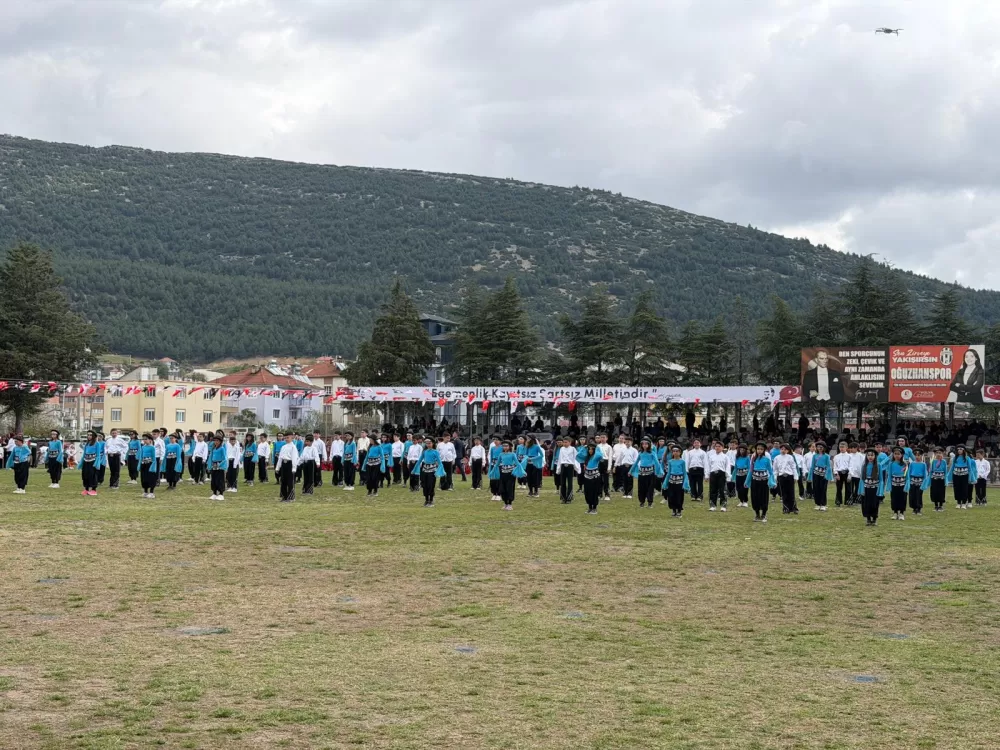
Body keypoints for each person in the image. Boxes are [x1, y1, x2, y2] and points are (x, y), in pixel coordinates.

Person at [489, 440, 527, 511]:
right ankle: (505, 503)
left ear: (509, 446)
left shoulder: (513, 454)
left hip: (511, 474)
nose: (505, 447)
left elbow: (517, 463)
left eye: (506, 446)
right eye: (503, 446)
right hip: (503, 473)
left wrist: (522, 471)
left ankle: (510, 504)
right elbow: (497, 464)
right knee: (503, 488)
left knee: (510, 488)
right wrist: (492, 472)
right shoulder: (501, 454)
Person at [745, 441, 776, 523]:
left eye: (761, 449)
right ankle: (757, 514)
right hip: (755, 481)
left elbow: (770, 471)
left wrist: (772, 482)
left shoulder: (766, 459)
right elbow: (750, 471)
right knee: (755, 497)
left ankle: (764, 514)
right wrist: (747, 482)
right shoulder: (753, 459)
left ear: (764, 450)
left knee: (764, 497)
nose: (759, 451)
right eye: (758, 449)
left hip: (764, 481)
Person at [629, 437, 664, 508]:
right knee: (641, 488)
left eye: (646, 444)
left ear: (649, 445)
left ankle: (650, 503)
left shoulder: (652, 453)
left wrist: (660, 471)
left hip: (650, 474)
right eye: (643, 444)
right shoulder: (640, 453)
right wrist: (630, 471)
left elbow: (657, 463)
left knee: (650, 488)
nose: (644, 445)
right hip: (642, 473)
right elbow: (636, 462)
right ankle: (642, 502)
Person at [662, 445, 690, 518]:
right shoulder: (670, 461)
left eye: (677, 451)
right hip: (671, 481)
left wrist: (685, 483)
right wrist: (665, 482)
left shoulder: (682, 462)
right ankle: (674, 510)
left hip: (679, 482)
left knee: (679, 497)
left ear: (680, 452)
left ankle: (679, 511)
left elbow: (684, 473)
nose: (675, 453)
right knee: (671, 496)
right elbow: (668, 473)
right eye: (673, 451)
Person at [416, 437, 446, 507]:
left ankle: (431, 500)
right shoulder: (424, 452)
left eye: (429, 443)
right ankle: (426, 500)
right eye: (427, 443)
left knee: (431, 485)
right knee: (425, 485)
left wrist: (441, 470)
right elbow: (419, 460)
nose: (428, 445)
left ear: (433, 443)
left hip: (432, 470)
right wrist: (415, 469)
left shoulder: (435, 452)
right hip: (424, 470)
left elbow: (439, 462)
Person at [859, 448, 885, 527]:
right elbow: (862, 479)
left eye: (872, 455)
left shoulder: (878, 465)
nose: (870, 457)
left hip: (875, 488)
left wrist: (880, 490)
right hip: (866, 487)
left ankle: (874, 519)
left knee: (874, 504)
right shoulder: (864, 465)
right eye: (868, 455)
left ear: (875, 456)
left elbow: (881, 479)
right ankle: (868, 518)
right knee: (866, 503)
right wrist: (861, 490)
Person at [552, 436, 580, 504]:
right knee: (563, 482)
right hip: (563, 465)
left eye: (566, 442)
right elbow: (560, 459)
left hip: (570, 466)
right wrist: (558, 469)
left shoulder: (573, 449)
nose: (564, 444)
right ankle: (563, 498)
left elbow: (576, 458)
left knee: (570, 482)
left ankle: (569, 498)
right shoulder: (562, 449)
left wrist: (577, 468)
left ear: (570, 442)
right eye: (564, 442)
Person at [773, 444, 799, 515]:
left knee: (791, 492)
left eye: (785, 449)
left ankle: (793, 508)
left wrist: (795, 477)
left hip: (789, 476)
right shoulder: (777, 458)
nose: (783, 451)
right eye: (782, 449)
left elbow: (794, 467)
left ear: (788, 450)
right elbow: (775, 469)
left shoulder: (790, 457)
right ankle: (785, 508)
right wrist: (775, 478)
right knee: (783, 493)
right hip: (781, 477)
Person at [707, 441, 731, 512]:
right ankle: (712, 505)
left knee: (722, 490)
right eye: (716, 446)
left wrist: (728, 476)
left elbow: (727, 467)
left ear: (722, 448)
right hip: (713, 474)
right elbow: (708, 466)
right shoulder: (711, 457)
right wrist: (707, 475)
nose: (717, 448)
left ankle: (723, 505)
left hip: (722, 474)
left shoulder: (725, 457)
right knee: (712, 490)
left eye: (719, 446)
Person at [275, 434, 299, 503]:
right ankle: (284, 496)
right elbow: (280, 457)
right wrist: (277, 467)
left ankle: (291, 497)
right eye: (285, 438)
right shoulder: (283, 447)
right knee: (283, 481)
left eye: (288, 437)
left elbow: (294, 458)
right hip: (284, 464)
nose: (286, 439)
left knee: (290, 481)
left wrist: (294, 468)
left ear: (292, 438)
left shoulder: (293, 447)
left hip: (290, 464)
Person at [810, 442, 834, 510]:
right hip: (816, 474)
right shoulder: (814, 456)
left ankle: (823, 504)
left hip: (824, 474)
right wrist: (810, 476)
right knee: (816, 488)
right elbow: (812, 466)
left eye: (821, 447)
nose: (820, 448)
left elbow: (829, 467)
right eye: (818, 447)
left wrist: (829, 476)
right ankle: (817, 504)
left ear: (824, 448)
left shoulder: (827, 456)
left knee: (823, 489)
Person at [887, 447, 909, 521]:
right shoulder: (891, 463)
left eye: (898, 454)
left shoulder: (905, 464)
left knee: (902, 498)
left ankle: (902, 513)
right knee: (894, 498)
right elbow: (889, 475)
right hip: (894, 483)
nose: (897, 455)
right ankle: (895, 512)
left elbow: (907, 475)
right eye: (895, 454)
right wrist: (889, 485)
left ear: (902, 455)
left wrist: (907, 485)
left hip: (902, 484)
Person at [581, 444, 603, 514]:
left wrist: (597, 448)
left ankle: (594, 508)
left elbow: (600, 455)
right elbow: (578, 455)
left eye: (592, 449)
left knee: (594, 493)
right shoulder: (586, 457)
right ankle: (590, 507)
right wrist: (583, 448)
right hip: (587, 477)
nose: (590, 450)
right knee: (587, 493)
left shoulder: (595, 457)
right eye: (589, 449)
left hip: (595, 477)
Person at [80, 431, 104, 496]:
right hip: (86, 460)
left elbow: (98, 454)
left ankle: (94, 489)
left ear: (94, 436)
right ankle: (86, 488)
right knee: (85, 475)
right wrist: (82, 462)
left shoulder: (97, 444)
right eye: (88, 435)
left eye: (91, 435)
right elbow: (84, 453)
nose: (89, 436)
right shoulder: (87, 444)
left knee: (93, 475)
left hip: (93, 461)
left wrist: (97, 463)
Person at [138, 433, 159, 499]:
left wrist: (153, 466)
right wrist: (139, 464)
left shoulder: (152, 447)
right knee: (144, 478)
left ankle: (151, 492)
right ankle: (145, 491)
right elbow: (141, 457)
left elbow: (153, 458)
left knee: (151, 478)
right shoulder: (143, 447)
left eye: (146, 439)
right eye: (143, 439)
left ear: (150, 440)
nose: (144, 440)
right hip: (143, 464)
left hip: (150, 464)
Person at [208, 433, 228, 501]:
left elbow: (224, 458)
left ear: (220, 441)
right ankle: (214, 493)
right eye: (215, 440)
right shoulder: (214, 449)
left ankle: (221, 494)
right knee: (214, 479)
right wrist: (210, 465)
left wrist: (220, 464)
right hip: (214, 465)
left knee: (220, 479)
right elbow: (211, 457)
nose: (216, 442)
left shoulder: (222, 448)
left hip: (220, 465)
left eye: (217, 441)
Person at [907, 447, 927, 515]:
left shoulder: (923, 464)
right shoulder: (912, 463)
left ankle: (918, 508)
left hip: (920, 482)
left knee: (919, 495)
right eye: (916, 455)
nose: (917, 456)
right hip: (912, 481)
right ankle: (914, 508)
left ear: (921, 456)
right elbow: (909, 472)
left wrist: (924, 483)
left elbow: (925, 474)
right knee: (912, 495)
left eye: (919, 455)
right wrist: (908, 481)